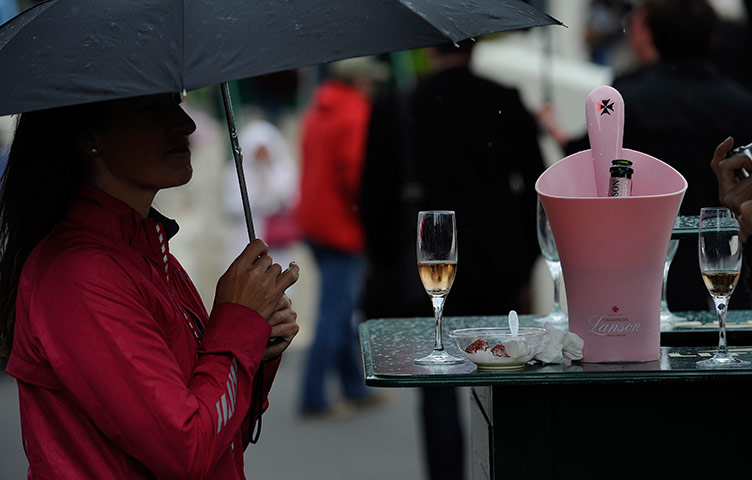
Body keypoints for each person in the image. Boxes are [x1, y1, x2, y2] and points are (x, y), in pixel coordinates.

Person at [0, 93, 300, 479]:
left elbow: (221, 438)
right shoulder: (80, 273)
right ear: (90, 138)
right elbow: (187, 449)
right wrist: (239, 321)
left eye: (176, 104)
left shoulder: (151, 254)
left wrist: (260, 344)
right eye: (152, 109)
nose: (186, 125)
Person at [360, 41, 545, 480]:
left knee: (438, 389)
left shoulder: (398, 104)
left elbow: (372, 199)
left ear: (426, 50)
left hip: (427, 266)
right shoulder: (504, 99)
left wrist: (389, 259)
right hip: (498, 267)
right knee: (504, 373)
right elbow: (537, 188)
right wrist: (524, 261)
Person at [620, 0, 752, 311]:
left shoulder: (630, 101)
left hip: (650, 260)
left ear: (653, 36)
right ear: (712, 38)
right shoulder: (741, 104)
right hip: (728, 253)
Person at [296, 56, 389, 416]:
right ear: (361, 81)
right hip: (341, 227)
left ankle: (354, 387)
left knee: (342, 307)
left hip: (316, 222)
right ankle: (314, 397)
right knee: (335, 312)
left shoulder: (318, 108)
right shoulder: (355, 114)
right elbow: (357, 179)